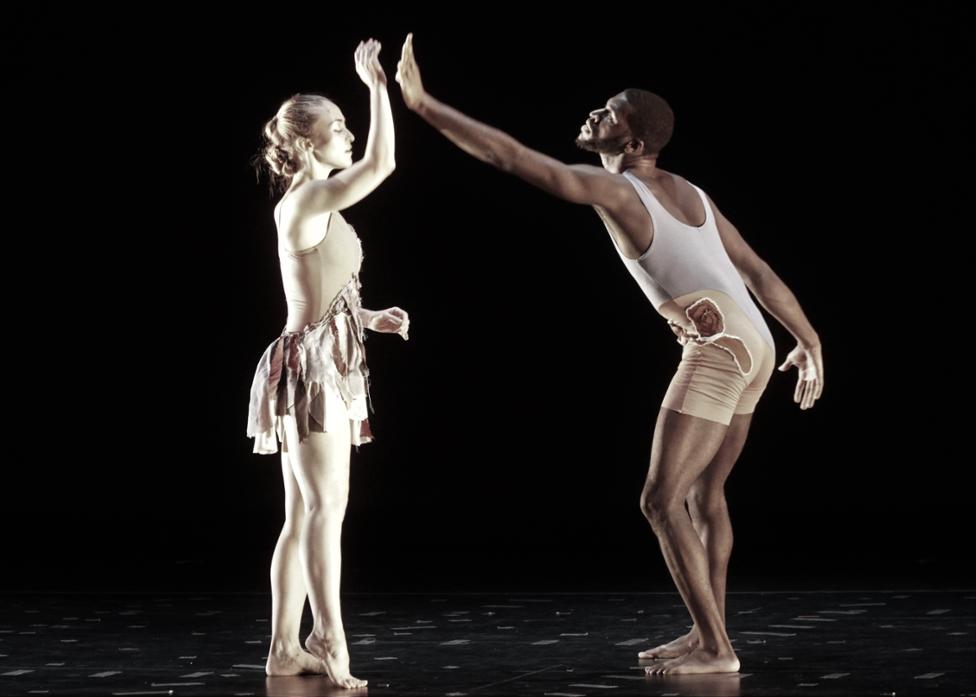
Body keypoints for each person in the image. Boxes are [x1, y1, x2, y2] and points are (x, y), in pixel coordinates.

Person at [395, 33, 822, 676]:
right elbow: (757, 272)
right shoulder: (693, 193)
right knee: (706, 495)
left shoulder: (622, 191)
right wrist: (808, 340)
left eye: (612, 112)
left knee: (659, 500)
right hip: (755, 343)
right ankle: (709, 632)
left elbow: (515, 159)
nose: (596, 112)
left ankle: (716, 648)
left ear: (632, 145)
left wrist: (423, 104)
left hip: (721, 346)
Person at [247, 39, 408, 689]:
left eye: (347, 122)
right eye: (337, 126)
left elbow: (317, 290)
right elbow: (383, 162)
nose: (347, 134)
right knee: (323, 509)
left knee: (305, 513)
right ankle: (329, 638)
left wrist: (370, 318)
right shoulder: (305, 201)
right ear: (309, 146)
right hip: (312, 370)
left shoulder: (321, 206)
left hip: (326, 359)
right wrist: (376, 86)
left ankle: (285, 648)